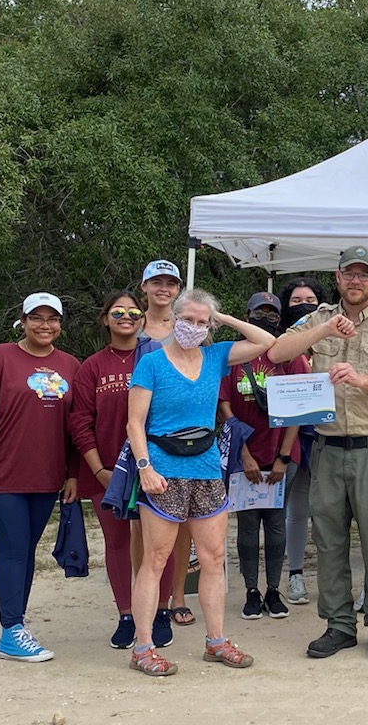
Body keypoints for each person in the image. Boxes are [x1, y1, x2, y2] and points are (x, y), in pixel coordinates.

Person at [268, 246, 368, 661]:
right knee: (330, 540)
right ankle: (338, 625)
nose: (356, 281)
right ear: (338, 278)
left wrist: (359, 378)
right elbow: (278, 353)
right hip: (328, 447)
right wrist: (323, 332)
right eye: (349, 274)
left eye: (364, 274)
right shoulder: (317, 318)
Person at [126, 287, 275, 676]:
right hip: (162, 470)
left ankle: (216, 641)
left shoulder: (215, 356)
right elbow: (135, 423)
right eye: (187, 319)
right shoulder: (152, 364)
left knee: (212, 559)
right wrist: (145, 467)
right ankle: (143, 647)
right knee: (155, 560)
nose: (193, 327)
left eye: (200, 321)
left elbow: (267, 341)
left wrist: (221, 318)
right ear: (173, 319)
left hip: (206, 468)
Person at [0, 292, 80, 663]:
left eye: (53, 319)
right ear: (22, 320)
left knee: (26, 551)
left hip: (47, 478)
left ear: (61, 325)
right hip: (0, 475)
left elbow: (75, 426)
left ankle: (15, 626)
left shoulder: (70, 365)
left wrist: (72, 473)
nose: (45, 325)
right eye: (37, 317)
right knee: (14, 549)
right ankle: (10, 630)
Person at [68, 291, 175, 650]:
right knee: (116, 542)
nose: (126, 317)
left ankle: (161, 611)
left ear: (143, 319)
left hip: (159, 465)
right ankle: (127, 615)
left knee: (160, 543)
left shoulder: (160, 358)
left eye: (133, 311)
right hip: (109, 471)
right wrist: (98, 470)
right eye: (118, 311)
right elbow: (80, 421)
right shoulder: (93, 367)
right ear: (105, 319)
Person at [218, 292, 304, 622]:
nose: (265, 318)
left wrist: (283, 457)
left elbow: (299, 408)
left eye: (272, 313)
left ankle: (273, 590)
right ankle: (252, 591)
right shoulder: (235, 355)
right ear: (247, 314)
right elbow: (224, 406)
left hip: (282, 451)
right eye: (259, 312)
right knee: (248, 525)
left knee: (277, 523)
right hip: (246, 453)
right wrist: (243, 454)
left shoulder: (289, 355)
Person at [137, 259, 198, 628]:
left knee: (185, 522)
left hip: (184, 440)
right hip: (142, 435)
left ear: (178, 289)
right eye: (156, 281)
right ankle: (143, 600)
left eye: (170, 283)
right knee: (142, 528)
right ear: (144, 286)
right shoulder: (131, 324)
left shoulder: (187, 327)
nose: (163, 288)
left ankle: (175, 596)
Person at [278, 276, 328, 607]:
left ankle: (330, 577)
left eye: (309, 300)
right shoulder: (281, 343)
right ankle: (295, 574)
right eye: (296, 301)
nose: (303, 305)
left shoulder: (331, 339)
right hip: (293, 437)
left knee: (329, 511)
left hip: (328, 434)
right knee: (296, 509)